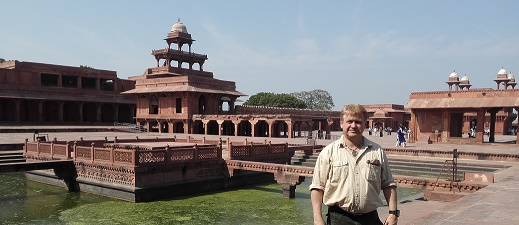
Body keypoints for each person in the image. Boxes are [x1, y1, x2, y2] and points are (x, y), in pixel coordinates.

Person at [310, 104, 399, 225]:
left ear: (364, 124)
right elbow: (317, 187)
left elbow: (388, 184)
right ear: (341, 123)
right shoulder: (329, 152)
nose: (353, 126)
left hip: (370, 218)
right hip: (339, 218)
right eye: (349, 121)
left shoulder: (377, 151)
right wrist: (317, 218)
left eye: (358, 122)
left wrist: (393, 213)